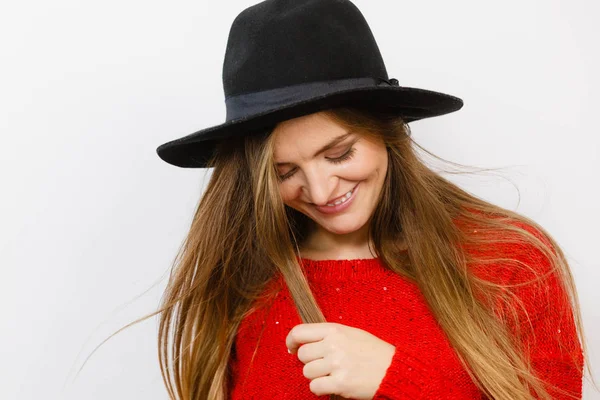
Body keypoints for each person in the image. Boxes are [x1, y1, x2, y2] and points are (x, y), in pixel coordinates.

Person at [153, 0, 590, 399]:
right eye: (283, 173)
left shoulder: (509, 259)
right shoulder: (246, 277)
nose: (322, 192)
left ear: (388, 130)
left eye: (339, 153)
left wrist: (398, 378)